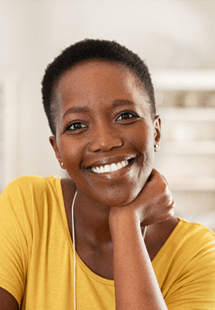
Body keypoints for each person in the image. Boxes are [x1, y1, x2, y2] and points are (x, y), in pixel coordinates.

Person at [0, 39, 215, 310]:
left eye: (125, 116)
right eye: (77, 125)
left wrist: (126, 222)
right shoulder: (28, 205)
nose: (105, 141)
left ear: (156, 131)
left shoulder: (198, 253)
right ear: (58, 151)